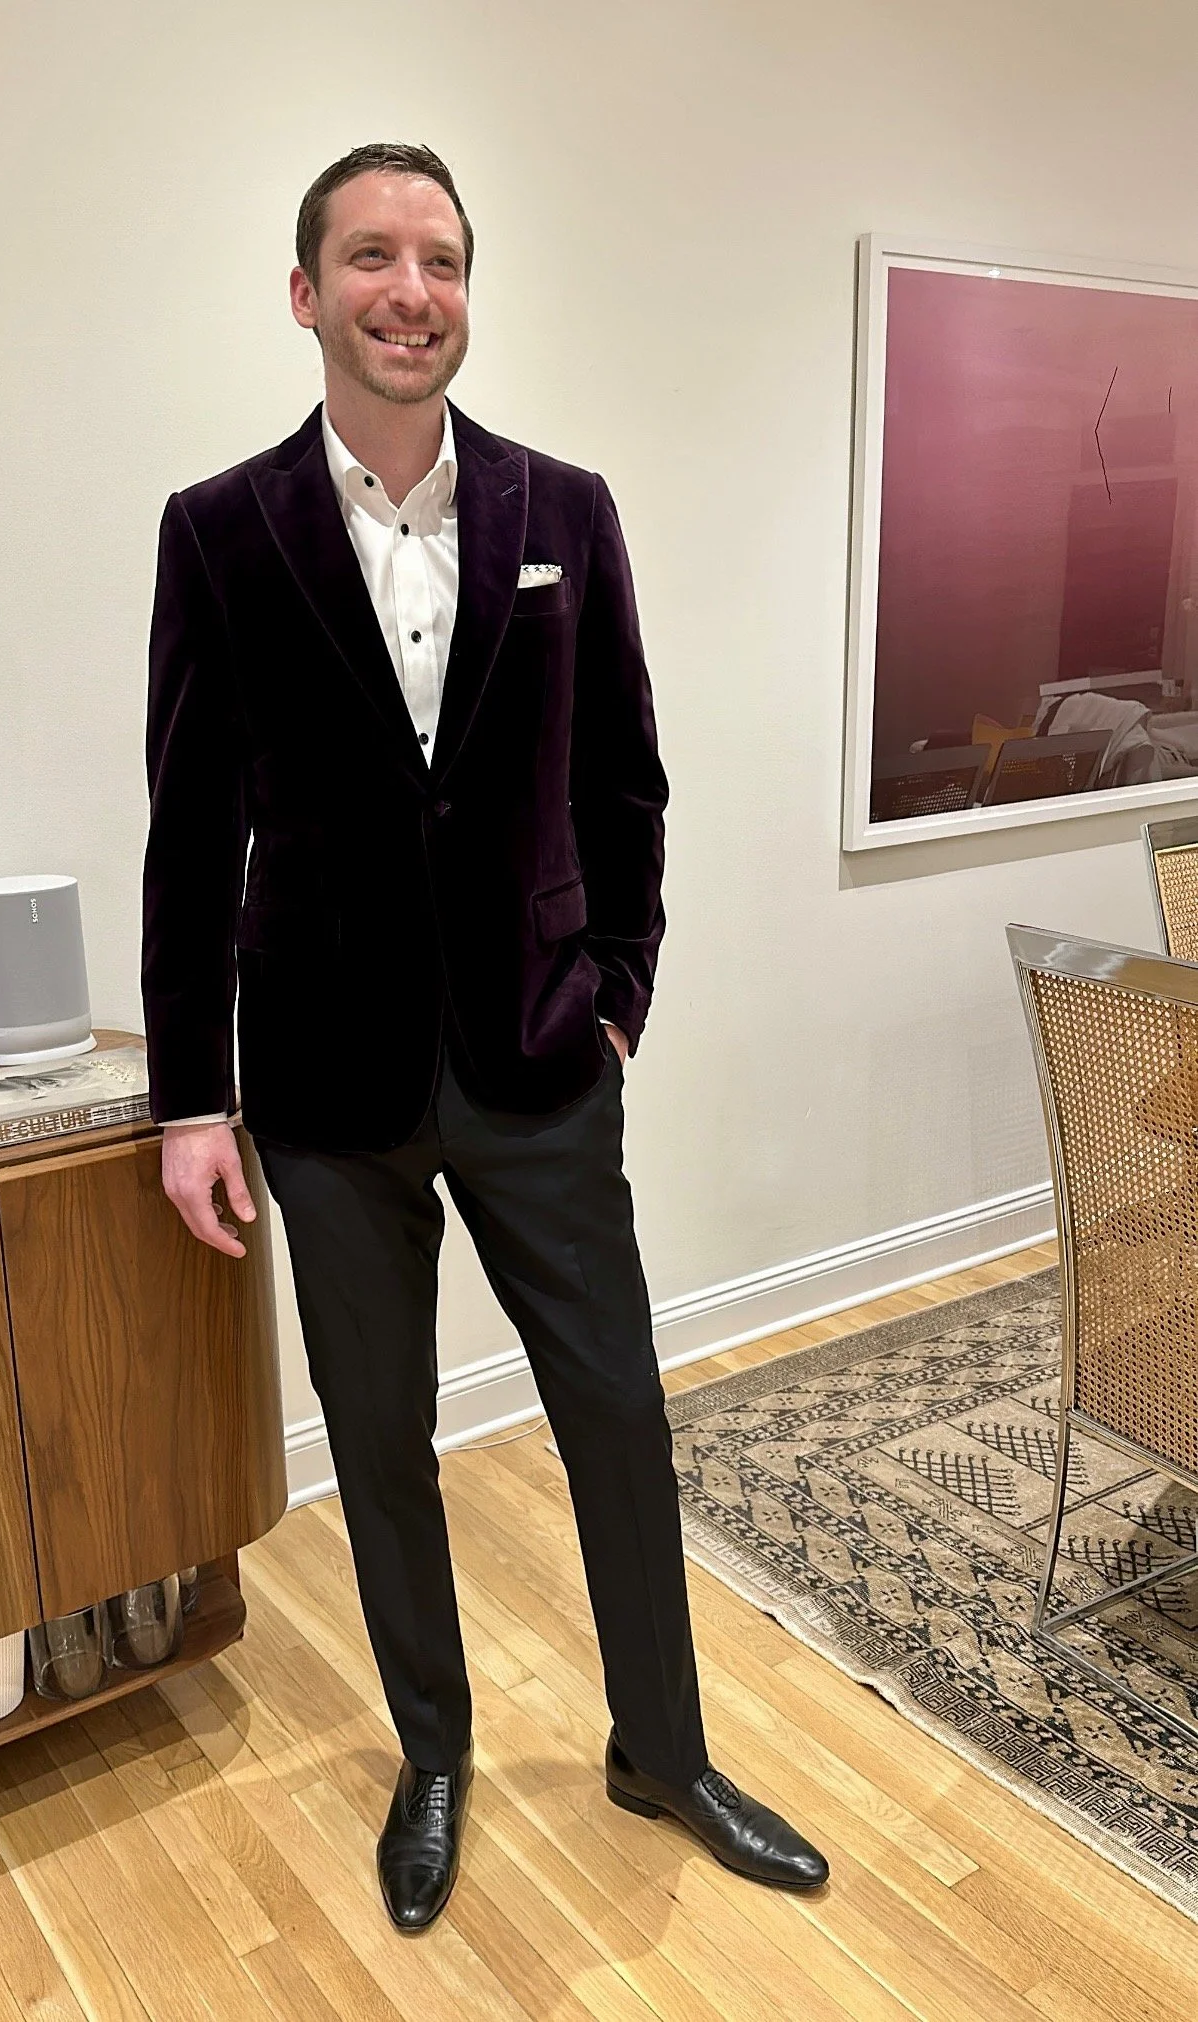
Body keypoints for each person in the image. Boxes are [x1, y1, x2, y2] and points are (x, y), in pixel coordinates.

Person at [141, 141, 827, 1933]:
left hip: (537, 1061)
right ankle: (431, 1749)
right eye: (369, 256)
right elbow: (188, 827)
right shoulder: (220, 531)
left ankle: (661, 1748)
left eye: (439, 258)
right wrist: (186, 1097)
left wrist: (615, 996)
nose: (409, 289)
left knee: (614, 1409)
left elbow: (624, 782)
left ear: (467, 291)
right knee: (376, 1434)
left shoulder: (562, 510)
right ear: (306, 294)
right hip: (323, 1087)